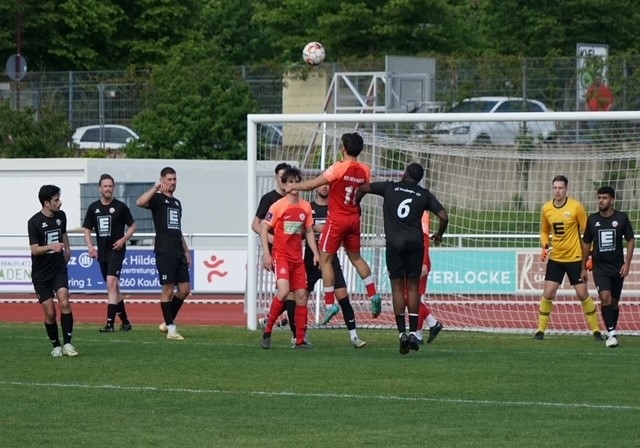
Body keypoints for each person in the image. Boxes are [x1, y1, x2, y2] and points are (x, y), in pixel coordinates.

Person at [285, 132, 383, 341]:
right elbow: (362, 190)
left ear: (343, 149)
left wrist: (294, 186)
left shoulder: (338, 167)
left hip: (337, 219)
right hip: (354, 217)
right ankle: (373, 294)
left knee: (325, 258)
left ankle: (330, 304)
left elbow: (313, 184)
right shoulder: (366, 170)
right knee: (355, 257)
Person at [358, 163, 448, 354]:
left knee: (397, 288)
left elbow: (363, 188)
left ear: (405, 173)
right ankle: (414, 333)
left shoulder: (389, 187)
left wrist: (356, 206)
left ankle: (402, 334)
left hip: (394, 243)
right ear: (419, 179)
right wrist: (439, 235)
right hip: (415, 243)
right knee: (413, 288)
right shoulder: (423, 194)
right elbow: (444, 216)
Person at [536, 175, 603, 340]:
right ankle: (540, 331)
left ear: (566, 189)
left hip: (575, 258)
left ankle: (596, 331)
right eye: (555, 188)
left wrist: (590, 255)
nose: (557, 191)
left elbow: (588, 232)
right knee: (548, 293)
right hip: (556, 258)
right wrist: (544, 245)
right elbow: (544, 230)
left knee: (582, 294)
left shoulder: (576, 207)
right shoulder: (546, 208)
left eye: (560, 188)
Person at [260, 166, 320, 349]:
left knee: (301, 296)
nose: (293, 185)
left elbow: (308, 231)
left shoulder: (305, 206)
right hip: (281, 256)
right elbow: (263, 227)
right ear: (284, 185)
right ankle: (268, 330)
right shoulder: (278, 206)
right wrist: (267, 253)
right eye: (290, 182)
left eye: (296, 181)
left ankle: (300, 340)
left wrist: (316, 253)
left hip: (297, 259)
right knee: (284, 291)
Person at [306, 184, 366, 348]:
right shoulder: (308, 208)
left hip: (331, 260)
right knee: (300, 297)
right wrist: (314, 228)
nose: (324, 188)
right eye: (321, 185)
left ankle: (354, 336)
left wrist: (322, 229)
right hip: (311, 259)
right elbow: (303, 230)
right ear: (315, 188)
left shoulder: (336, 209)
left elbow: (342, 230)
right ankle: (298, 335)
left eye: (328, 185)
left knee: (343, 298)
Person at [136, 167, 191, 341]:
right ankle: (171, 329)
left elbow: (178, 229)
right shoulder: (157, 199)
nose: (172, 182)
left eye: (174, 179)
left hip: (178, 251)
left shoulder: (177, 203)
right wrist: (155, 188)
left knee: (185, 290)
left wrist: (186, 250)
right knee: (167, 289)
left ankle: (167, 322)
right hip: (165, 251)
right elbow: (139, 202)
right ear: (162, 180)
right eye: (169, 179)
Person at [27, 185, 78, 357]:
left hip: (58, 269)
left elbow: (63, 233)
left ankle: (68, 344)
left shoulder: (61, 216)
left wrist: (68, 250)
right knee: (50, 312)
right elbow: (34, 249)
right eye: (56, 200)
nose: (60, 202)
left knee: (64, 302)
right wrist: (51, 246)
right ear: (46, 203)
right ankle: (56, 345)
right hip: (41, 274)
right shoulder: (33, 222)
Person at [82, 174, 137, 332]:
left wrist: (123, 239)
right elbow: (87, 229)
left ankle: (110, 324)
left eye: (110, 186)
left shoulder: (120, 207)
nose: (108, 189)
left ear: (114, 188)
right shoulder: (93, 208)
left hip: (116, 251)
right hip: (102, 252)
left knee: (111, 283)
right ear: (100, 188)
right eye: (105, 186)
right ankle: (125, 322)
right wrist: (90, 247)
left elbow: (133, 226)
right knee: (114, 288)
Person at [581, 186, 635, 348]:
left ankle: (611, 330)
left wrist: (627, 263)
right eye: (599, 198)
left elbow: (630, 240)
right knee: (605, 297)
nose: (601, 201)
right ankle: (611, 333)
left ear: (612, 200)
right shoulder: (592, 219)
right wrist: (583, 266)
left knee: (614, 302)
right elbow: (586, 243)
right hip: (600, 268)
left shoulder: (621, 218)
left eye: (604, 198)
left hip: (617, 267)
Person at [251, 162, 296, 336]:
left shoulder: (296, 200)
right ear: (277, 178)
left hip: (293, 252)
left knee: (295, 291)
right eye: (281, 177)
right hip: (278, 253)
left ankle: (270, 320)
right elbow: (256, 224)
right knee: (288, 291)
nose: (285, 181)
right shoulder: (269, 199)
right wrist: (270, 239)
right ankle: (295, 334)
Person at [406, 211, 444, 345]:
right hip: (416, 260)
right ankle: (419, 334)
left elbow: (425, 240)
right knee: (416, 298)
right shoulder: (417, 210)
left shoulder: (421, 213)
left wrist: (423, 263)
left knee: (409, 297)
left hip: (419, 261)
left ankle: (432, 324)